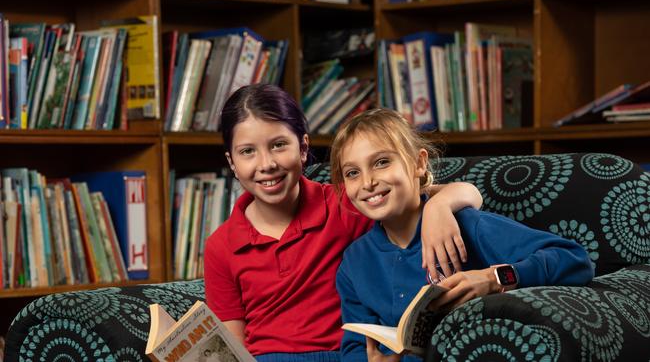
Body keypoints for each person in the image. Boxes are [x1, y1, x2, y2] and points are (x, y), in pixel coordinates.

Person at [203, 84, 484, 361]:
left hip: (342, 355)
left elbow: (465, 193)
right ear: (232, 162)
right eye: (247, 152)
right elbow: (232, 347)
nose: (266, 164)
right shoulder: (220, 246)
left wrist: (439, 206)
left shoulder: (347, 203)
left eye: (278, 145)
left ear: (303, 148)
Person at [330, 108, 594, 362]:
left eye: (381, 162)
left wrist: (493, 278)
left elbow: (575, 259)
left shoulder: (467, 225)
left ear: (418, 163)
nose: (367, 182)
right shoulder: (354, 263)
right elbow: (354, 344)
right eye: (353, 173)